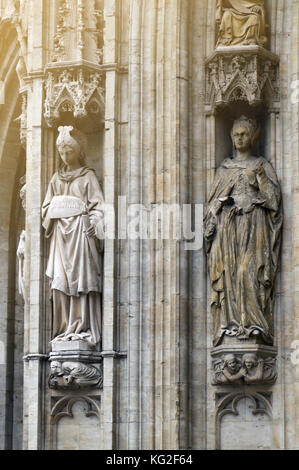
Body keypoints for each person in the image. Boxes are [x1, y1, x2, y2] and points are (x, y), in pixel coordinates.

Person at [205, 116, 282, 347]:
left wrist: (259, 179)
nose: (239, 138)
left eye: (244, 134)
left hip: (254, 230)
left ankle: (254, 325)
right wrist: (212, 218)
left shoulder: (261, 165)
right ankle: (229, 324)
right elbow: (211, 205)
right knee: (229, 274)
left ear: (253, 137)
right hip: (228, 231)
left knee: (247, 272)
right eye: (236, 134)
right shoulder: (224, 168)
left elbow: (274, 201)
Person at [42, 126, 104, 346]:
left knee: (82, 282)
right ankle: (62, 329)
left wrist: (94, 223)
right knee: (59, 283)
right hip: (60, 238)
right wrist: (52, 210)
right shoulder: (55, 180)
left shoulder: (88, 177)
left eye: (69, 151)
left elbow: (98, 207)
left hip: (81, 237)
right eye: (61, 153)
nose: (65, 157)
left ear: (79, 151)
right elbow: (45, 208)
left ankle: (83, 327)